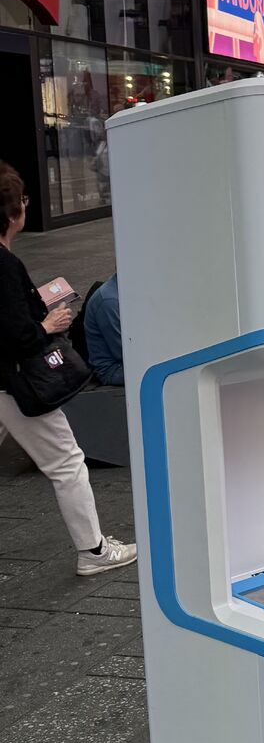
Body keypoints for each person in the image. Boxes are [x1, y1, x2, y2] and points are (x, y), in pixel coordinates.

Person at [0, 164, 136, 576]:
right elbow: (17, 336)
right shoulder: (3, 264)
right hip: (17, 382)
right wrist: (48, 324)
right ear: (12, 213)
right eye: (23, 201)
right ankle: (93, 551)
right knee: (67, 461)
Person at [83, 273, 124, 385]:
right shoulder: (110, 301)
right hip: (113, 369)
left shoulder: (125, 289)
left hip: (126, 359)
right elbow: (123, 352)